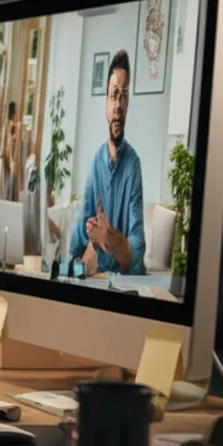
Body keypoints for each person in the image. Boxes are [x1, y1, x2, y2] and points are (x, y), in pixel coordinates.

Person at [68, 49, 146, 276]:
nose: (119, 105)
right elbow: (82, 228)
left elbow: (137, 245)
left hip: (121, 280)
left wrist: (111, 240)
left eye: (124, 96)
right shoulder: (96, 163)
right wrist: (89, 232)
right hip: (96, 275)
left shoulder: (133, 165)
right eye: (114, 95)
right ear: (106, 103)